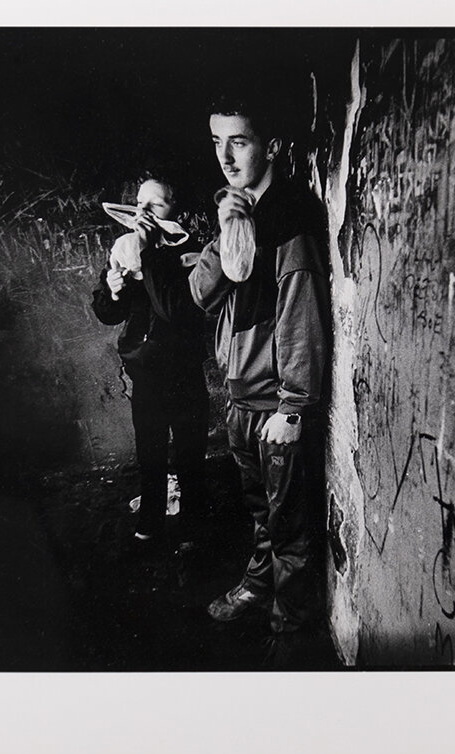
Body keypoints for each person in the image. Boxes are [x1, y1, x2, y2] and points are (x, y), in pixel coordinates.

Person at [189, 87, 331, 658]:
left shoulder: (291, 215)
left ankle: (290, 636)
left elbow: (301, 312)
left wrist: (294, 406)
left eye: (239, 142)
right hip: (240, 397)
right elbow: (201, 293)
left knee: (292, 532)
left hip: (276, 406)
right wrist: (228, 233)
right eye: (218, 143)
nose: (226, 157)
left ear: (269, 146)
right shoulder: (235, 211)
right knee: (260, 513)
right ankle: (256, 584)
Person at [92, 174, 210, 547]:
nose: (143, 212)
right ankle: (151, 518)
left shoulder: (194, 252)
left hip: (184, 367)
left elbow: (174, 309)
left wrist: (149, 255)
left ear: (174, 209)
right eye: (140, 204)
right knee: (151, 451)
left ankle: (193, 525)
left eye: (155, 205)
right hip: (145, 368)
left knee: (191, 451)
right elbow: (108, 313)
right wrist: (112, 292)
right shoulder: (125, 247)